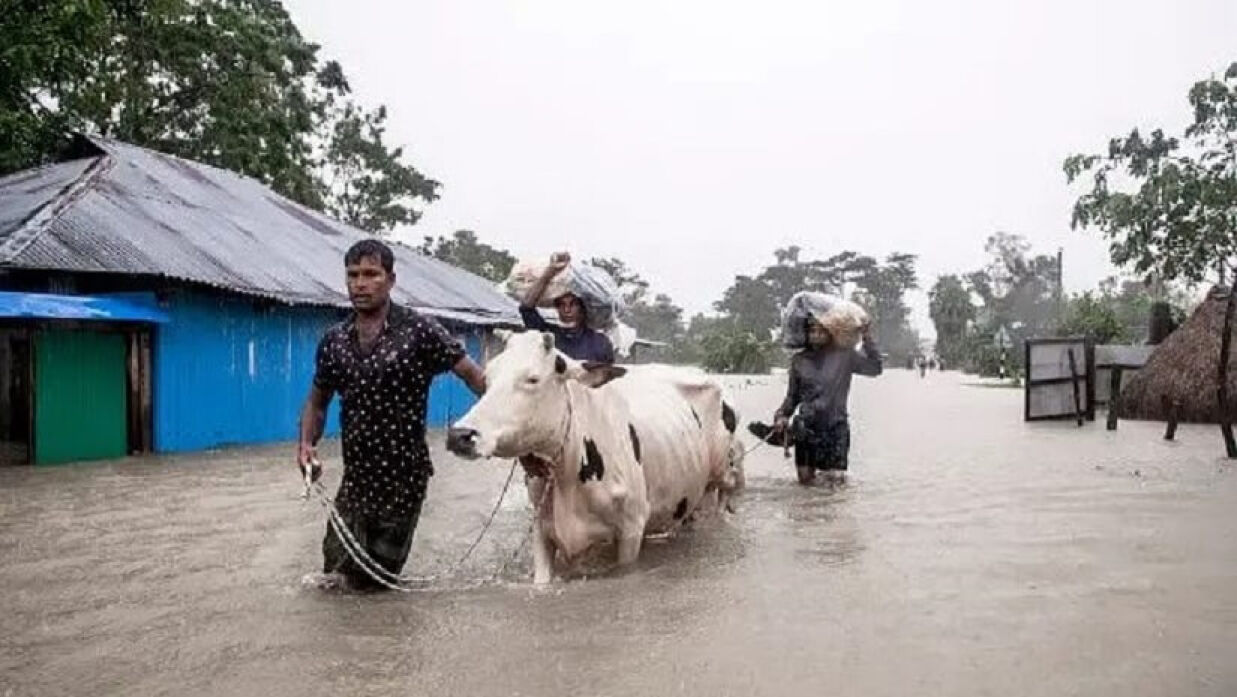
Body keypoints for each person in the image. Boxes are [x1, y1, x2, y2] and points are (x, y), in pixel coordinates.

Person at [297, 239, 487, 591]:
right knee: (329, 581)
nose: (360, 283)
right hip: (354, 483)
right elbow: (317, 401)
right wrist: (306, 444)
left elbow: (475, 378)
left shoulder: (420, 331)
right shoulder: (334, 340)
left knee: (373, 587)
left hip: (404, 482)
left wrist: (510, 429)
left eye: (371, 274)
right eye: (353, 275)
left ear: (391, 279)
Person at [773, 317, 882, 485]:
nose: (816, 335)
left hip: (835, 427)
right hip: (805, 427)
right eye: (812, 331)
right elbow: (792, 397)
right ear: (805, 333)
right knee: (805, 485)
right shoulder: (799, 360)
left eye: (821, 331)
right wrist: (781, 416)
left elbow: (875, 368)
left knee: (835, 485)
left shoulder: (845, 356)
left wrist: (867, 337)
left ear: (831, 332)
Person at [519, 251, 615, 364]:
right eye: (561, 305)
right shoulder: (548, 335)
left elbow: (608, 377)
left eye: (572, 304)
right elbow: (526, 308)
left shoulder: (600, 342)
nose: (567, 310)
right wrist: (550, 273)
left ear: (582, 307)